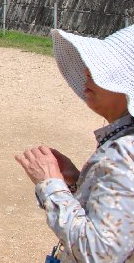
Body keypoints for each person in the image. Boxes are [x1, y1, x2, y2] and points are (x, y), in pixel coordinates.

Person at [15, 25, 134, 262]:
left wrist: (50, 185)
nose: (88, 73)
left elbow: (99, 253)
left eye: (102, 71)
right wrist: (75, 183)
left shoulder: (125, 153)